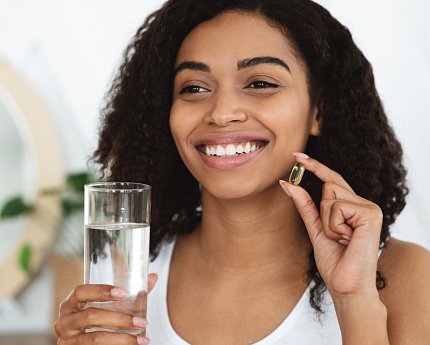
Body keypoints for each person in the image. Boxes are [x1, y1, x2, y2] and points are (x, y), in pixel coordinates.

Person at [54, 0, 430, 344]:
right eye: (194, 87)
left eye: (260, 84)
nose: (221, 112)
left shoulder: (405, 277)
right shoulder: (121, 280)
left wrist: (353, 302)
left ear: (319, 110)